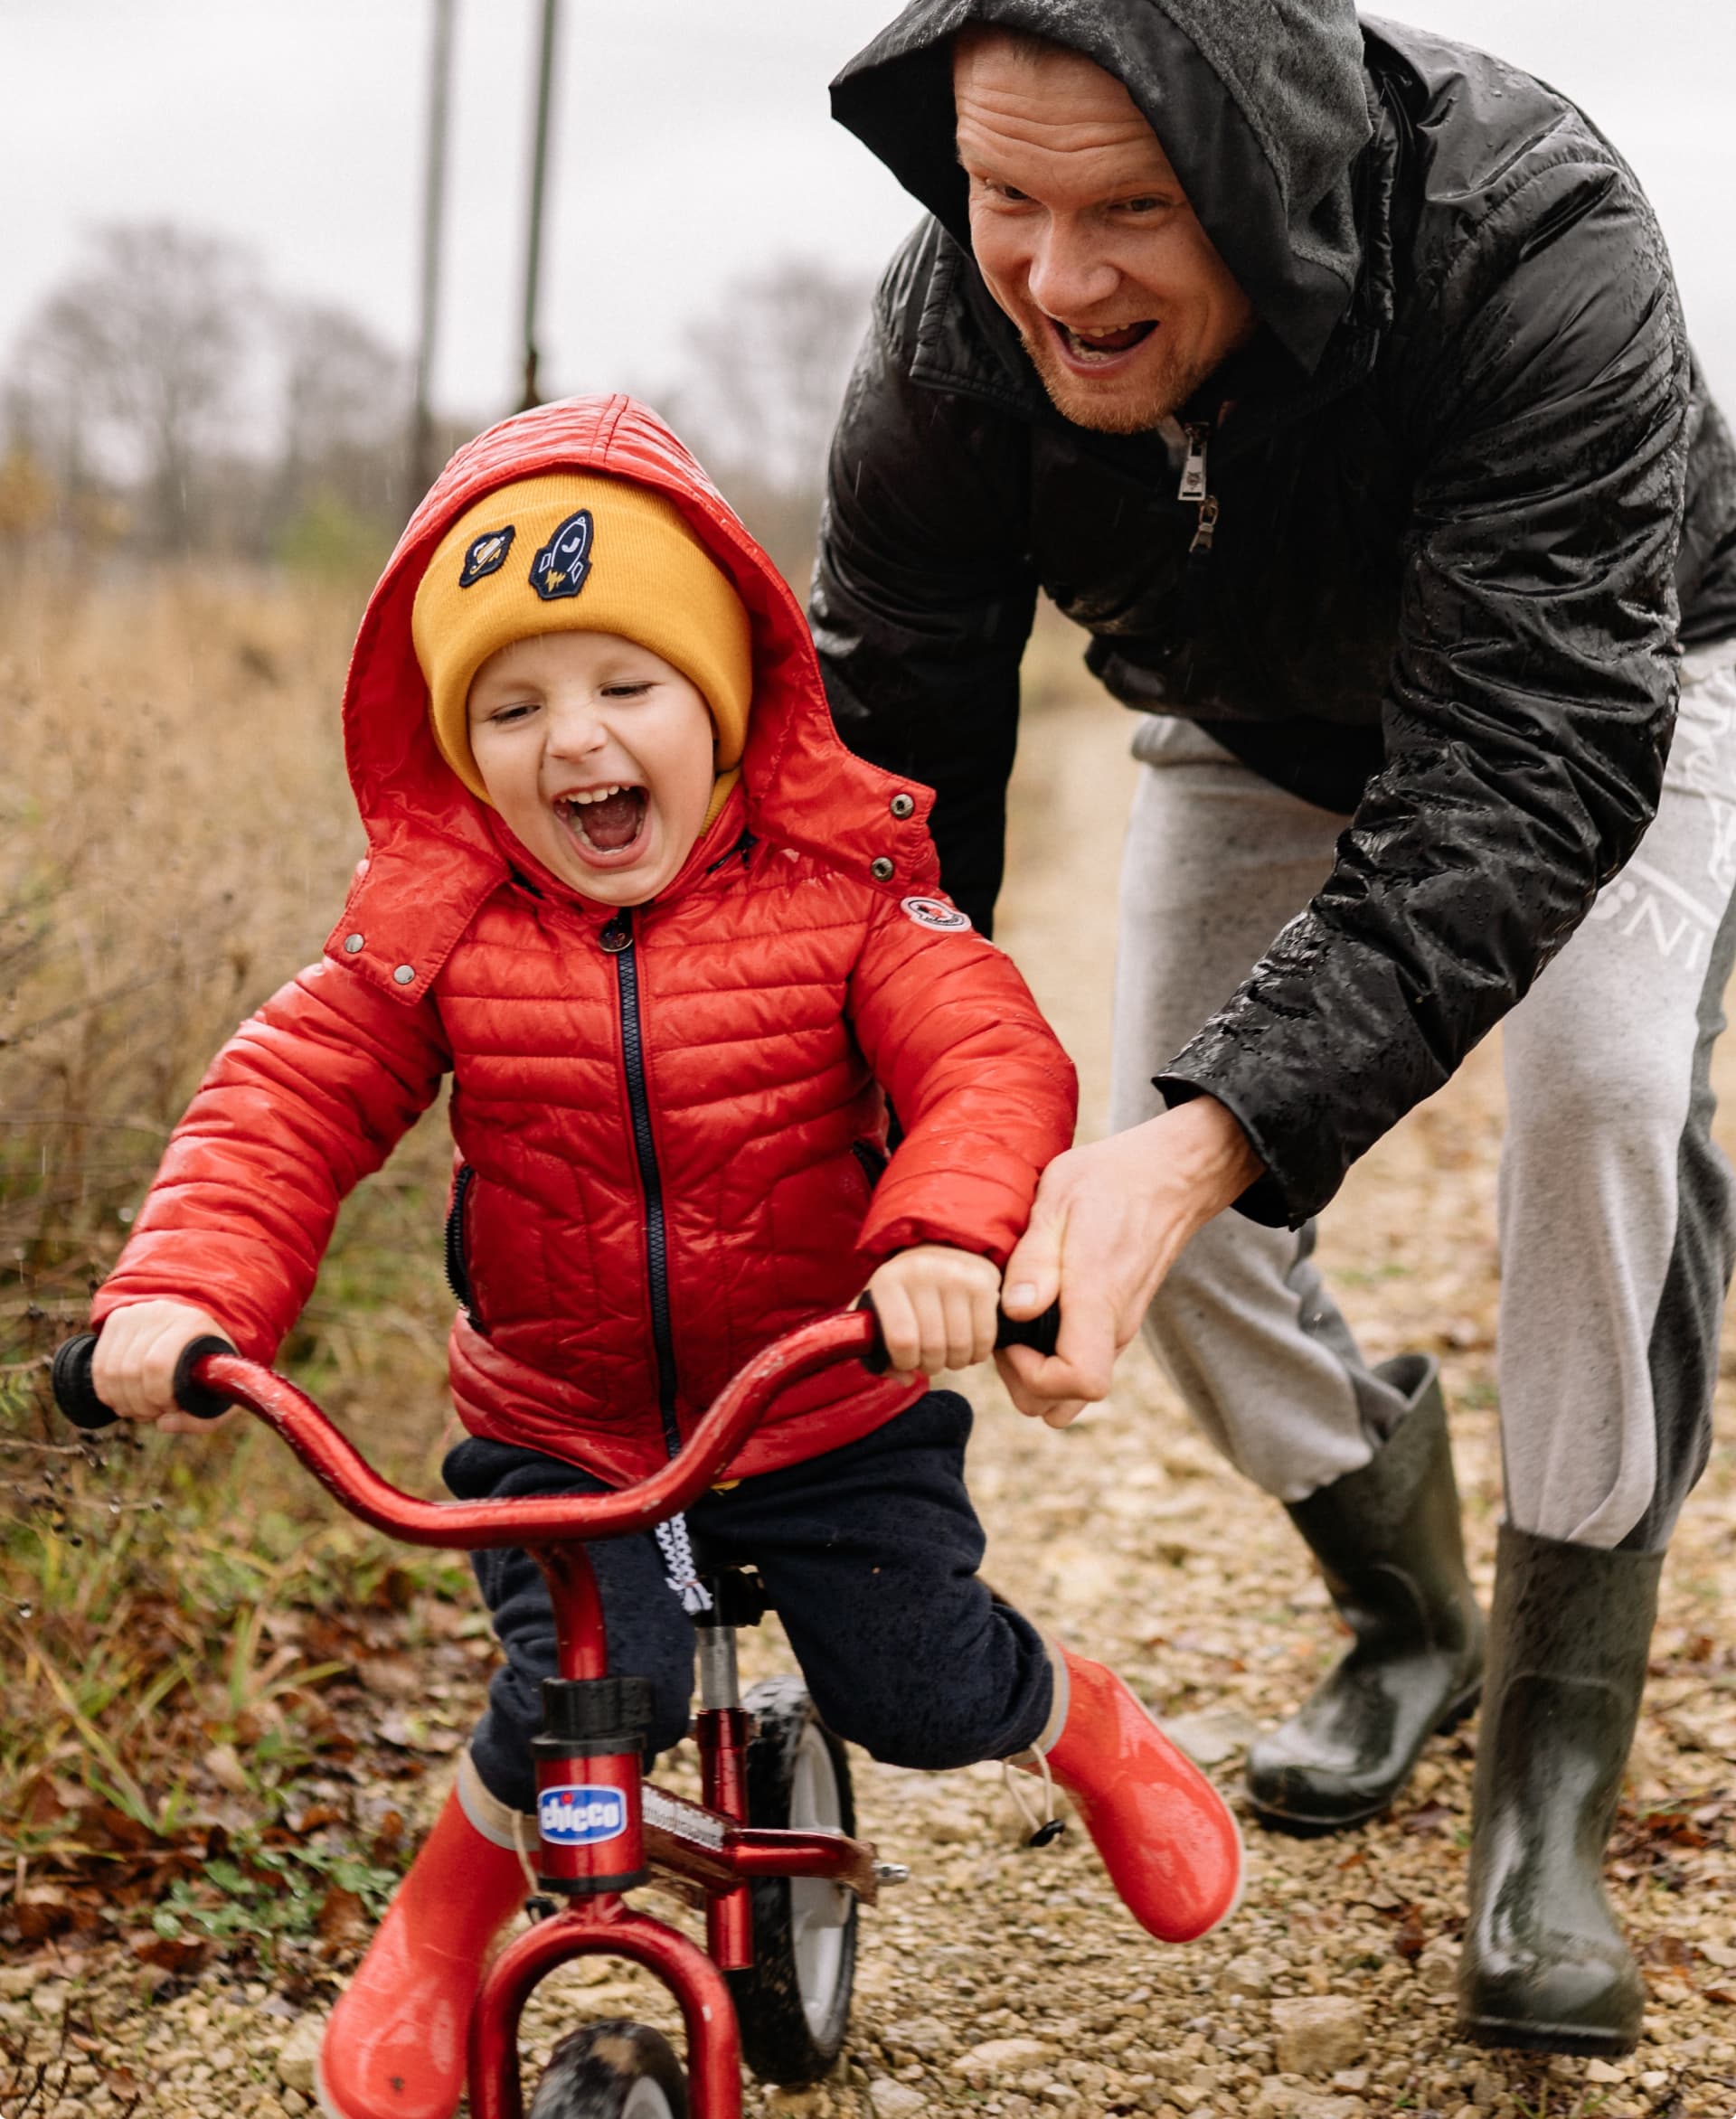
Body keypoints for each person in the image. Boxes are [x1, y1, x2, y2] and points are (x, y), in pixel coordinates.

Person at [84, 396, 1242, 2119]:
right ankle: (432, 1934)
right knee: (575, 1701)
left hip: (820, 1405)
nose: (576, 744)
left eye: (627, 685)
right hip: (566, 1429)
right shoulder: (439, 926)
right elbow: (289, 1098)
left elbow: (989, 1059)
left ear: (721, 696)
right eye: (512, 704)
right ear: (458, 747)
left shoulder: (848, 893)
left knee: (918, 1688)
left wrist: (936, 1239)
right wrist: (183, 1286)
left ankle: (1080, 1722)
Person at [815, 0, 1736, 2060]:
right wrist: (882, 1124)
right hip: (1248, 719)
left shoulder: (1541, 243)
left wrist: (1209, 1137)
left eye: (1132, 207)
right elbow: (888, 781)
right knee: (1155, 1185)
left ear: (1273, 163)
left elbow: (1526, 764)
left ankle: (1552, 1773)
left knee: (1597, 1093)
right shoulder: (949, 334)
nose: (1055, 277)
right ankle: (1407, 1617)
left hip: (1618, 683)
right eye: (1002, 197)